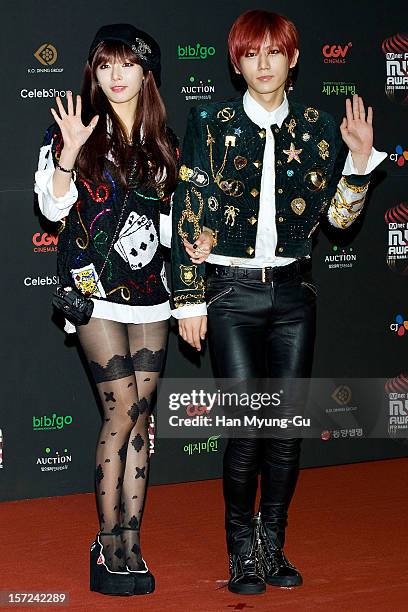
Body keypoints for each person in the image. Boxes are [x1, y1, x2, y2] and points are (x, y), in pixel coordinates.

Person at [171, 10, 386, 595]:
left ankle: (273, 544)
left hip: (293, 295)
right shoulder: (209, 122)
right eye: (250, 53)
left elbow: (339, 222)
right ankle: (241, 548)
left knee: (286, 430)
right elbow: (188, 209)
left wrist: (360, 163)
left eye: (274, 52)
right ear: (236, 63)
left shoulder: (318, 128)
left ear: (292, 59)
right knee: (247, 428)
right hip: (230, 294)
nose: (262, 64)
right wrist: (188, 298)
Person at [34, 23, 212, 597]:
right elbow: (53, 207)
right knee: (121, 410)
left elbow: (170, 226)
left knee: (139, 419)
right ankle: (106, 542)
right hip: (92, 291)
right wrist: (66, 155)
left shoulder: (166, 143)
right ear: (94, 70)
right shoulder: (76, 130)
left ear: (146, 73)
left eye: (127, 64)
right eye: (105, 64)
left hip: (150, 296)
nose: (115, 75)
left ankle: (133, 543)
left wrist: (199, 244)